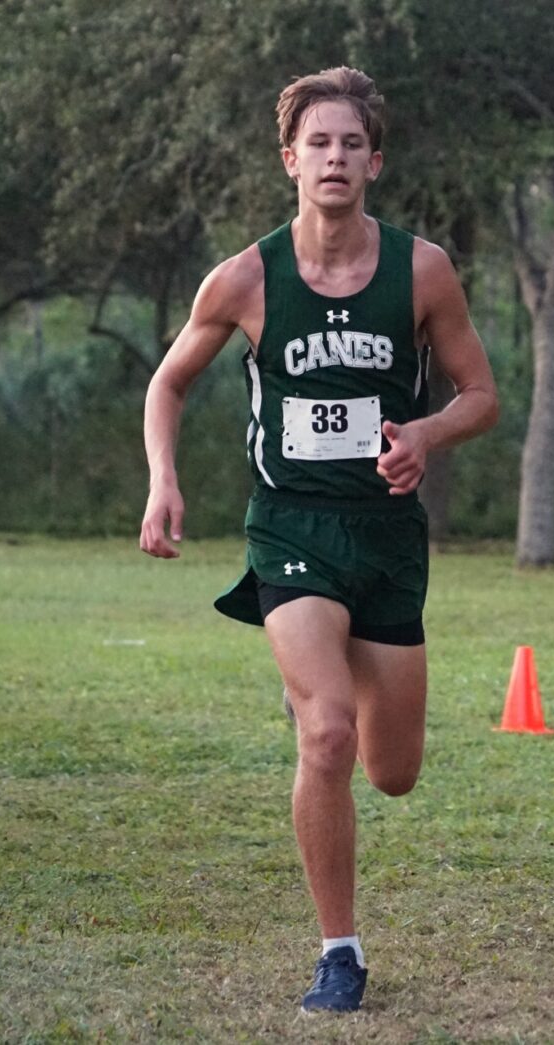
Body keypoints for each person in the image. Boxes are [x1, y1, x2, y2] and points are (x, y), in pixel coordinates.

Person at [139, 66, 498, 1013]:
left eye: (351, 144)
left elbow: (482, 395)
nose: (334, 158)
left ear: (373, 162)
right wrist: (164, 477)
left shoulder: (422, 270)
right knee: (329, 734)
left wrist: (424, 432)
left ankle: (325, 703)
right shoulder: (245, 278)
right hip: (289, 526)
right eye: (318, 143)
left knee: (393, 770)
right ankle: (339, 951)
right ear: (289, 158)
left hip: (386, 535)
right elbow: (167, 383)